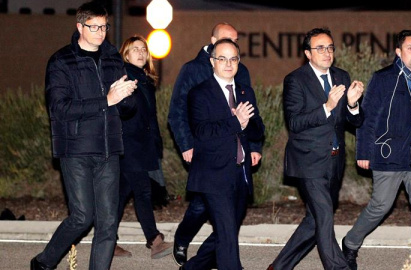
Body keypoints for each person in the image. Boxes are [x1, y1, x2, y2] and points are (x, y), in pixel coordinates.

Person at [30, 1, 137, 270]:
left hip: (109, 149)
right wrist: (107, 99)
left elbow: (126, 109)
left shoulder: (113, 59)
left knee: (109, 223)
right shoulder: (61, 61)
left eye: (104, 27)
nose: (101, 32)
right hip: (76, 150)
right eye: (94, 27)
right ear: (80, 26)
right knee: (81, 217)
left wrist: (126, 97)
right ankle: (43, 263)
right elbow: (60, 108)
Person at [341, 29, 411, 270]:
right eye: (410, 47)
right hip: (389, 152)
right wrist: (364, 153)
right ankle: (350, 243)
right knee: (381, 205)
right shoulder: (384, 78)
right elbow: (368, 118)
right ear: (398, 52)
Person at [267, 27, 364, 270]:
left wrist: (352, 105)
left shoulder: (342, 76)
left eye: (330, 47)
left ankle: (278, 267)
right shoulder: (295, 80)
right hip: (308, 160)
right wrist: (327, 106)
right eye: (320, 48)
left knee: (314, 221)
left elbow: (354, 122)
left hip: (334, 160)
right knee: (324, 216)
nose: (327, 52)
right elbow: (295, 122)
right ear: (308, 54)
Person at [168, 22, 262, 266]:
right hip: (213, 174)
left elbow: (258, 128)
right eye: (222, 59)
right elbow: (201, 131)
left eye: (233, 59)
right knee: (229, 237)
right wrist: (235, 121)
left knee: (225, 232)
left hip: (240, 173)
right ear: (212, 61)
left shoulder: (244, 92)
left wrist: (248, 126)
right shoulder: (200, 92)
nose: (229, 64)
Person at [113, 35, 172, 259]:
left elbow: (150, 117)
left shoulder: (145, 80)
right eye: (135, 49)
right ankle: (155, 240)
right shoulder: (125, 77)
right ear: (126, 54)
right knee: (143, 191)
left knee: (121, 194)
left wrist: (156, 143)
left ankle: (108, 241)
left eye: (143, 49)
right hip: (129, 146)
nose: (140, 52)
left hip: (142, 146)